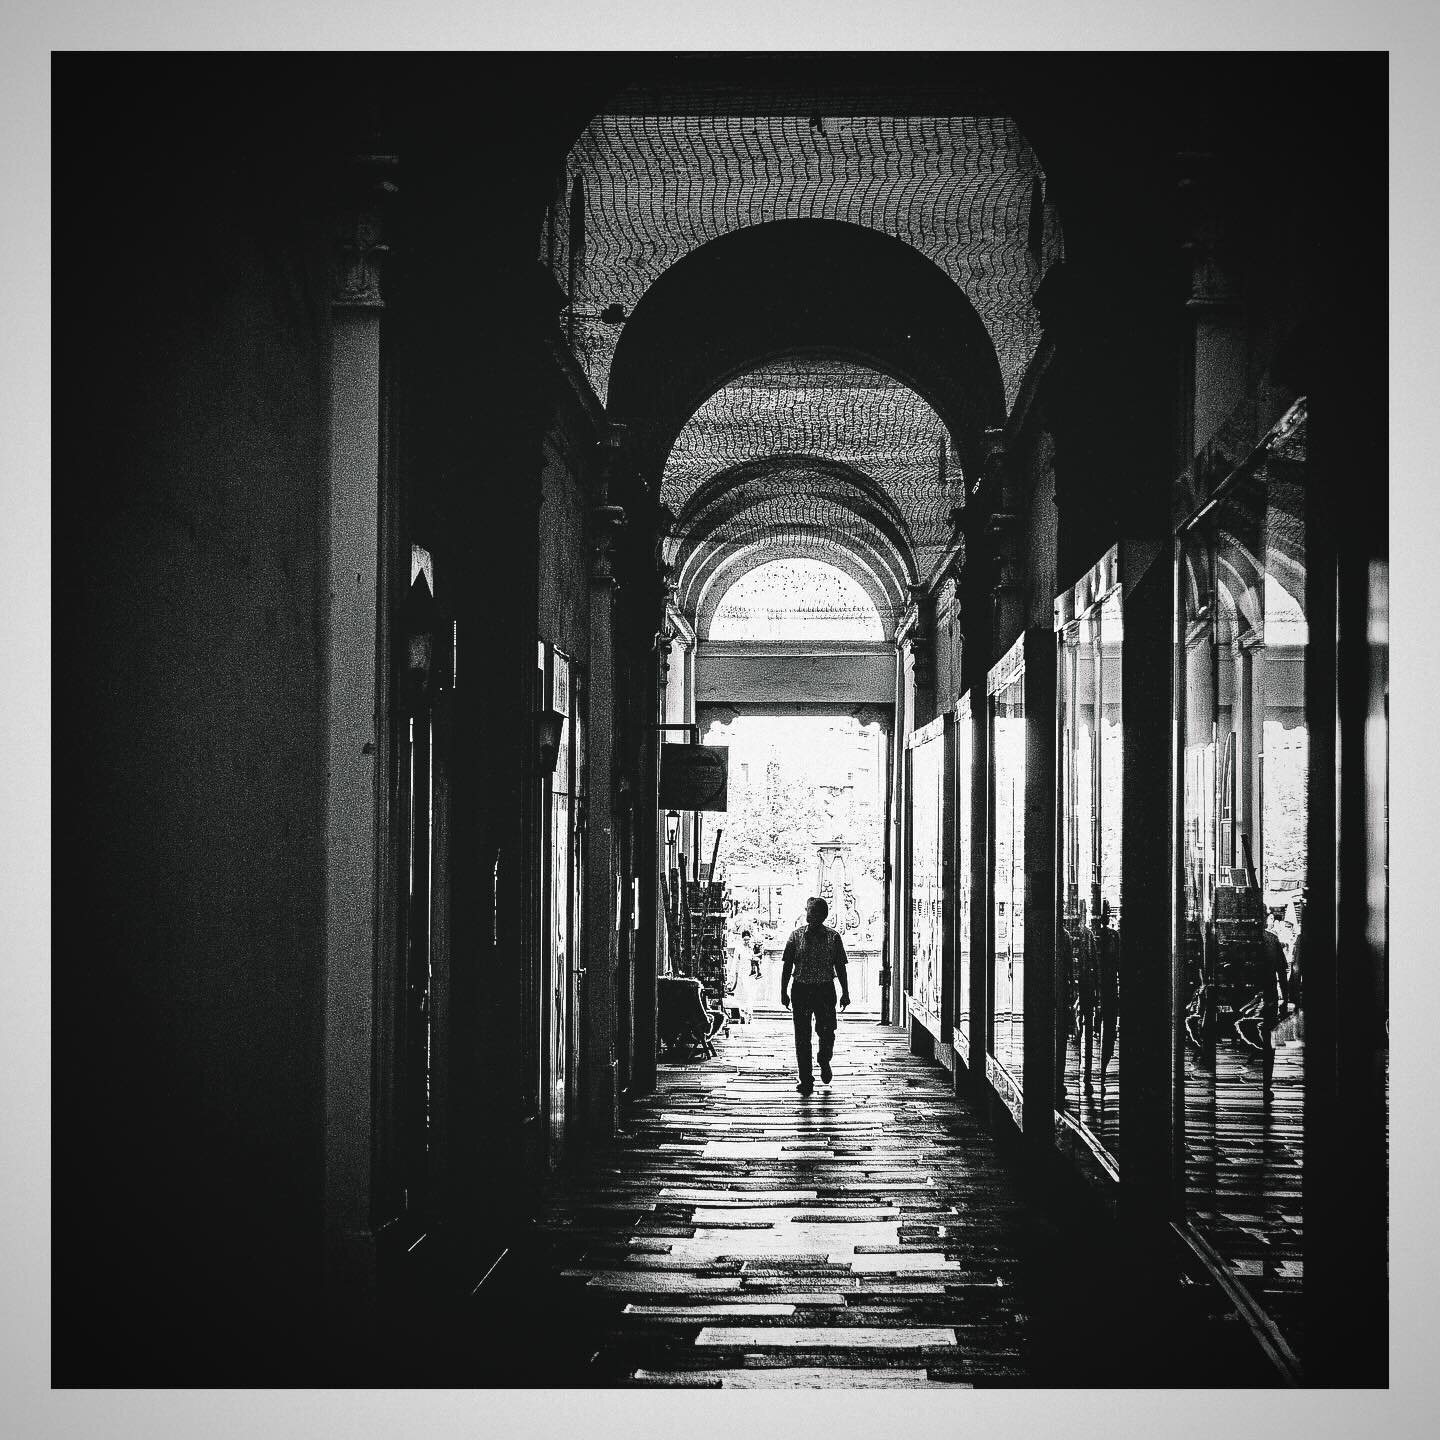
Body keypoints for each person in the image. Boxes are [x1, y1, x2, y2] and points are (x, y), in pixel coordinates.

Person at [780, 896, 850, 1096]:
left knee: (827, 1031)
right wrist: (783, 991)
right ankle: (806, 1079)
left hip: (825, 989)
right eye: (809, 911)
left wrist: (846, 992)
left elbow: (840, 967)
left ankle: (824, 1058)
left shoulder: (833, 937)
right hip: (801, 989)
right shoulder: (795, 936)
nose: (810, 915)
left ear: (823, 915)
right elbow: (787, 966)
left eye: (814, 911)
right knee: (802, 1036)